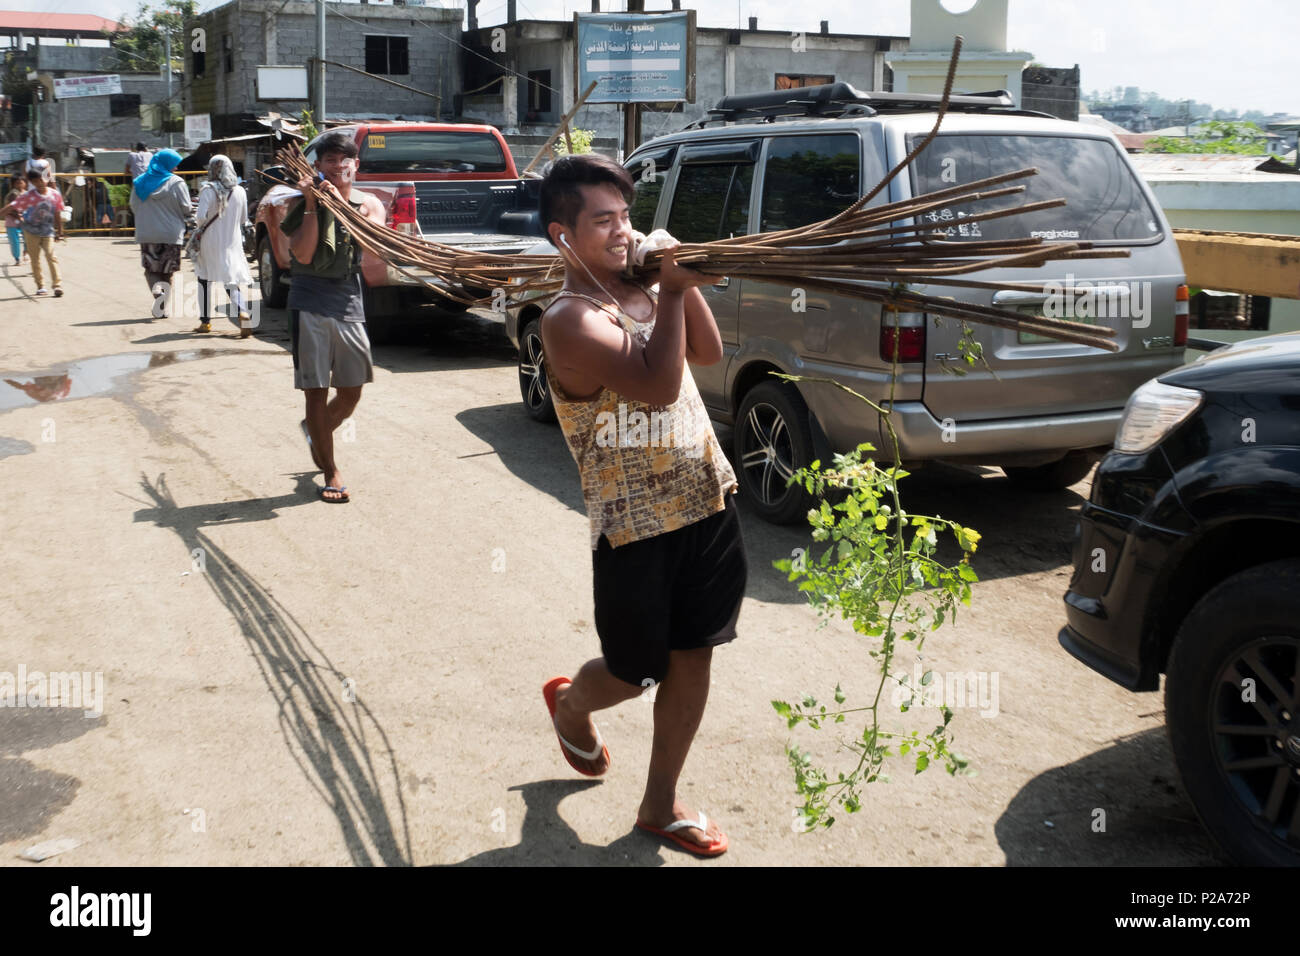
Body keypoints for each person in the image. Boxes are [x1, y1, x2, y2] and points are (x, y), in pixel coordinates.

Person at [535, 154, 746, 857]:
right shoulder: (568, 320)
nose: (623, 233)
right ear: (564, 236)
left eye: (626, 217)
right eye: (604, 221)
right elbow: (657, 387)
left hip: (706, 501)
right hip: (635, 528)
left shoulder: (644, 289)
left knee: (695, 657)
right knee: (633, 672)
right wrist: (675, 291)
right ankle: (571, 704)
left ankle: (660, 805)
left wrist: (672, 279)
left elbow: (707, 354)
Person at [280, 131, 385, 503]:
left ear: (355, 165)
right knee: (315, 389)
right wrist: (312, 202)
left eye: (344, 161)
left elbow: (375, 249)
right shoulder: (301, 203)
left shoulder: (369, 204)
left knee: (352, 391)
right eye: (329, 161)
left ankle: (315, 428)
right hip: (309, 300)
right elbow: (305, 256)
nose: (337, 167)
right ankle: (331, 469)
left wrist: (345, 209)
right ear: (317, 166)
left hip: (348, 300)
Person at [188, 154, 253, 336]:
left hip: (210, 240)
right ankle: (242, 311)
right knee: (229, 279)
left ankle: (205, 323)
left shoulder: (208, 189)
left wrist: (202, 227)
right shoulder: (240, 191)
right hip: (232, 241)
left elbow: (200, 217)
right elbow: (243, 219)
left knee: (203, 279)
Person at [129, 148, 191, 319]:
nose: (176, 169)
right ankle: (162, 305)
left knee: (151, 269)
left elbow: (133, 206)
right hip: (171, 234)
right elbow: (187, 208)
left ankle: (158, 298)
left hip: (147, 233)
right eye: (175, 165)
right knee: (167, 271)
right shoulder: (177, 183)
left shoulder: (139, 182)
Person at [1, 168, 65, 296]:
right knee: (35, 259)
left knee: (51, 255)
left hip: (47, 231)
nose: (40, 183)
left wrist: (60, 231)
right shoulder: (28, 196)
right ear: (31, 182)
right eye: (36, 181)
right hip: (30, 231)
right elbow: (13, 205)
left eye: (41, 180)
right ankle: (41, 285)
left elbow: (57, 212)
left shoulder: (54, 194)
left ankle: (57, 285)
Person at [4, 180, 24, 266]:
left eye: (22, 182)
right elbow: (12, 208)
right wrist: (19, 217)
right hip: (12, 220)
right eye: (18, 182)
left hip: (20, 219)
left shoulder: (25, 193)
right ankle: (17, 259)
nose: (21, 184)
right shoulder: (14, 194)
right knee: (15, 241)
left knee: (27, 238)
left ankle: (25, 255)